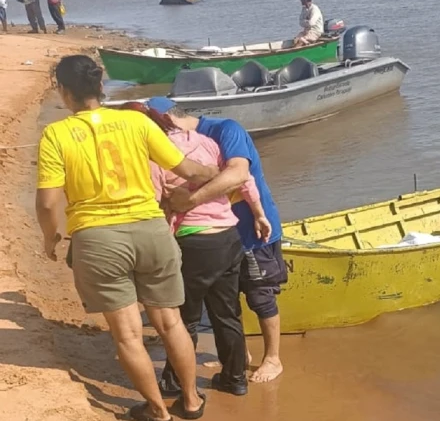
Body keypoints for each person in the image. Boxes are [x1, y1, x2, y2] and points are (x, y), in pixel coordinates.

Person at [36, 56, 216, 421]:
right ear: (100, 86)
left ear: (63, 91)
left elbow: (46, 202)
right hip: (151, 230)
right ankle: (192, 401)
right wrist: (213, 171)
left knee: (128, 335)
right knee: (171, 323)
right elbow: (185, 168)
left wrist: (50, 237)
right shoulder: (136, 121)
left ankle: (156, 412)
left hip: (98, 239)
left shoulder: (55, 134)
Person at [118, 102, 272, 397]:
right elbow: (244, 177)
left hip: (193, 240)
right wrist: (259, 213)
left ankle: (175, 382)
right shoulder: (207, 142)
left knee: (183, 317)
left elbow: (155, 202)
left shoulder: (155, 154)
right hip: (228, 235)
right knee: (227, 313)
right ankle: (234, 378)